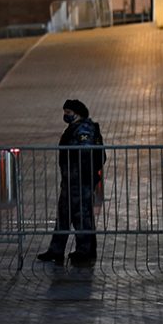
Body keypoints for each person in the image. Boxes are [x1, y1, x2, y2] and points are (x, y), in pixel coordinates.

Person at [36, 99, 105, 266]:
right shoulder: (74, 127)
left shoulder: (84, 129)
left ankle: (84, 251)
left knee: (82, 216)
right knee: (64, 216)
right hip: (70, 181)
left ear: (77, 113)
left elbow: (86, 153)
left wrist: (83, 176)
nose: (65, 115)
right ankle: (56, 250)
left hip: (80, 181)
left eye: (68, 112)